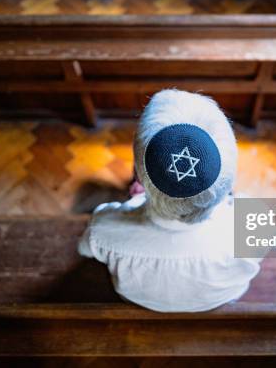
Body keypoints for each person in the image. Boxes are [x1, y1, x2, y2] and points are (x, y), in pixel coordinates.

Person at [77, 89, 261, 312]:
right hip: (220, 300)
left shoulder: (106, 230)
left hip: (138, 301)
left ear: (141, 175)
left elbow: (85, 249)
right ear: (227, 178)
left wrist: (132, 203)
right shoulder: (252, 225)